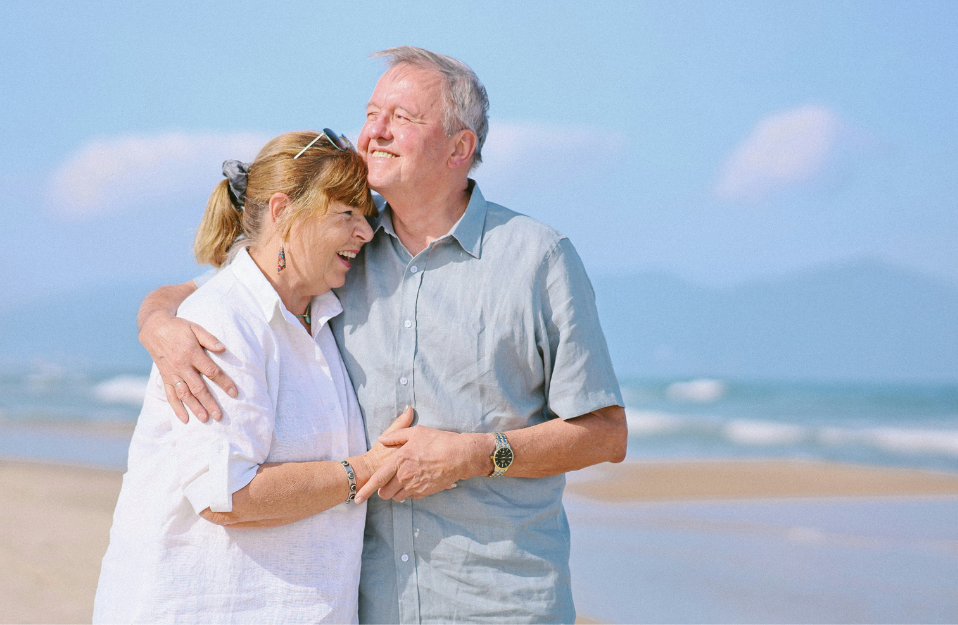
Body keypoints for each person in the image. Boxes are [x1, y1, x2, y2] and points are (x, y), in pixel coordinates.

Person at [138, 47, 628, 624]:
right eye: (372, 114)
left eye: (403, 118)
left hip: (501, 603)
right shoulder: (342, 241)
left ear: (459, 148)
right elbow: (228, 289)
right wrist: (159, 325)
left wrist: (474, 455)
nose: (374, 132)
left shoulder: (537, 259)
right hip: (364, 604)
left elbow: (605, 434)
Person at [94, 130, 412, 624]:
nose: (366, 233)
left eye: (366, 217)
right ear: (283, 211)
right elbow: (227, 496)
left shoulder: (318, 313)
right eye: (346, 215)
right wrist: (364, 471)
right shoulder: (223, 321)